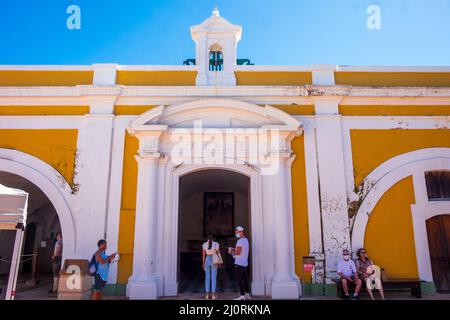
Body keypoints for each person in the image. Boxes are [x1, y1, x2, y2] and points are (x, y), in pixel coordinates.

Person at [228, 226, 251, 300]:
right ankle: (247, 294)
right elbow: (241, 249)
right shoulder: (246, 240)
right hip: (244, 262)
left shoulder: (240, 241)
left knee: (240, 279)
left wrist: (231, 251)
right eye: (236, 233)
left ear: (241, 232)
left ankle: (242, 295)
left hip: (239, 263)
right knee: (244, 278)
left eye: (237, 232)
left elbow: (238, 252)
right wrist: (234, 249)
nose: (236, 234)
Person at [202, 234, 221, 300]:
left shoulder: (204, 245)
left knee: (207, 277)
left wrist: (203, 264)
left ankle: (207, 295)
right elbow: (218, 253)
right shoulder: (216, 244)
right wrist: (220, 262)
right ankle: (213, 295)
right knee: (214, 278)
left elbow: (203, 255)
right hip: (214, 260)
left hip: (207, 261)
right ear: (213, 238)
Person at [50, 232, 63, 297]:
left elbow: (57, 250)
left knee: (56, 275)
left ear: (58, 236)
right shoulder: (63, 242)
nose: (56, 237)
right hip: (60, 258)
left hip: (57, 259)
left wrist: (54, 256)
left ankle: (55, 290)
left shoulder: (59, 242)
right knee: (58, 275)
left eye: (57, 236)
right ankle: (56, 289)